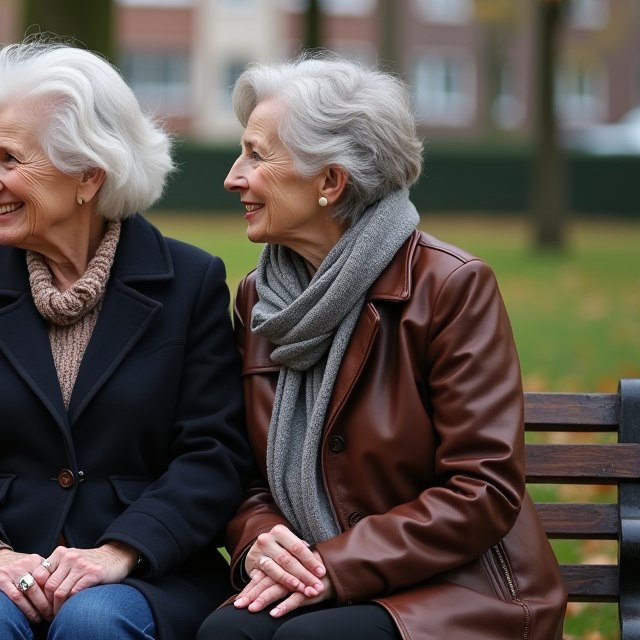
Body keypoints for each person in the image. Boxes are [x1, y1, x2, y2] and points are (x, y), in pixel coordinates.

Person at [0, 43, 253, 640]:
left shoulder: (191, 282)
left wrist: (121, 550)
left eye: (9, 159)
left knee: (96, 623)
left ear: (88, 174)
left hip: (144, 568)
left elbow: (214, 455)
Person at [198, 55, 567, 640]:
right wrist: (260, 540)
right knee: (227, 634)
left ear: (330, 182)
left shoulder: (449, 286)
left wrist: (335, 565)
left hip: (457, 584)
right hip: (314, 569)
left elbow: (483, 489)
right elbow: (244, 473)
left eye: (256, 156)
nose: (233, 177)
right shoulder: (259, 299)